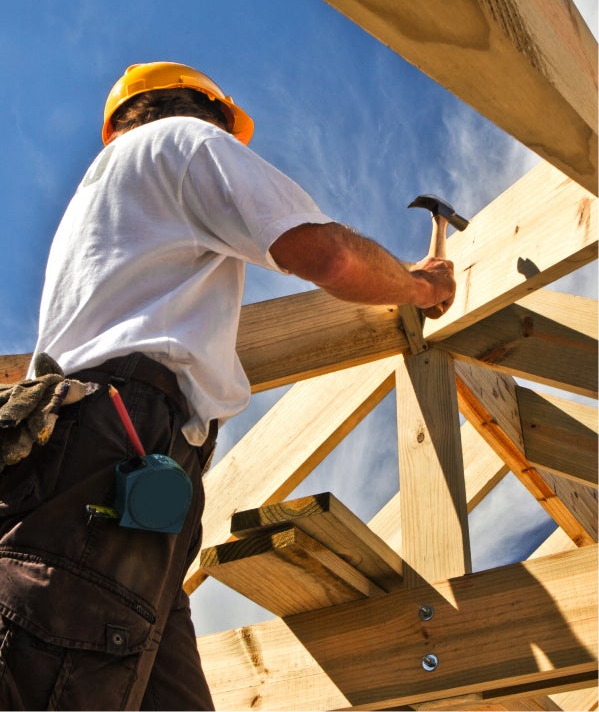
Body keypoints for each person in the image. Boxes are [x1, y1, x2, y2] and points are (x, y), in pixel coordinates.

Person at [0, 61, 455, 710]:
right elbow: (331, 255)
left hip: (107, 466)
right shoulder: (182, 142)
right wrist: (419, 285)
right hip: (118, 448)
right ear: (205, 111)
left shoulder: (102, 205)